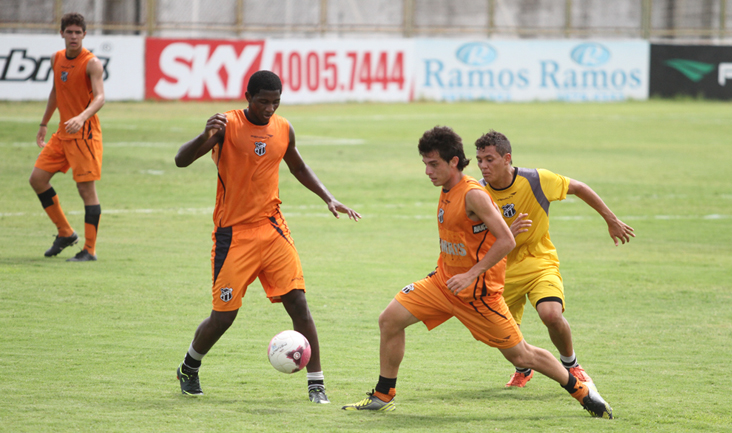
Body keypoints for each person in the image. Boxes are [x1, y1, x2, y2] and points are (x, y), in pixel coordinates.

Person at [342, 126, 613, 419]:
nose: (427, 172)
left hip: (478, 295)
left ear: (454, 162)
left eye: (433, 164)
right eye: (425, 164)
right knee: (390, 320)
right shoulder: (447, 189)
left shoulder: (473, 194)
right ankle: (383, 395)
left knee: (522, 355)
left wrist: (472, 274)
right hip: (442, 284)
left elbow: (506, 240)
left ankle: (582, 392)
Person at [174, 70, 360, 404]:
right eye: (263, 101)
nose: (269, 108)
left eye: (275, 102)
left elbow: (298, 166)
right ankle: (189, 367)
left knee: (299, 304)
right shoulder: (226, 125)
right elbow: (181, 160)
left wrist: (328, 197)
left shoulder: (283, 128)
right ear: (248, 97)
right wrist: (205, 135)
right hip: (234, 236)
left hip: (273, 230)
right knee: (223, 317)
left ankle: (316, 384)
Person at [474, 130, 634, 388]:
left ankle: (571, 364)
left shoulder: (537, 179)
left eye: (489, 159)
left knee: (551, 315)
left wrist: (610, 219)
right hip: (501, 270)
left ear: (507, 158)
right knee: (500, 336)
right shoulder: (477, 192)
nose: (483, 166)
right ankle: (523, 368)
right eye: (480, 160)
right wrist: (506, 235)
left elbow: (579, 187)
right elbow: (473, 241)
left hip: (539, 261)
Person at [30, 12, 105, 262]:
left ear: (84, 34)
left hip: (84, 135)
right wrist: (43, 123)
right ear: (61, 33)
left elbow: (100, 97)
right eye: (69, 31)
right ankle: (65, 232)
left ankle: (90, 250)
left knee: (86, 190)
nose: (73, 36)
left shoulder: (92, 63)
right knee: (37, 179)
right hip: (62, 134)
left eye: (78, 32)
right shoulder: (57, 58)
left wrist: (82, 117)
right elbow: (56, 91)